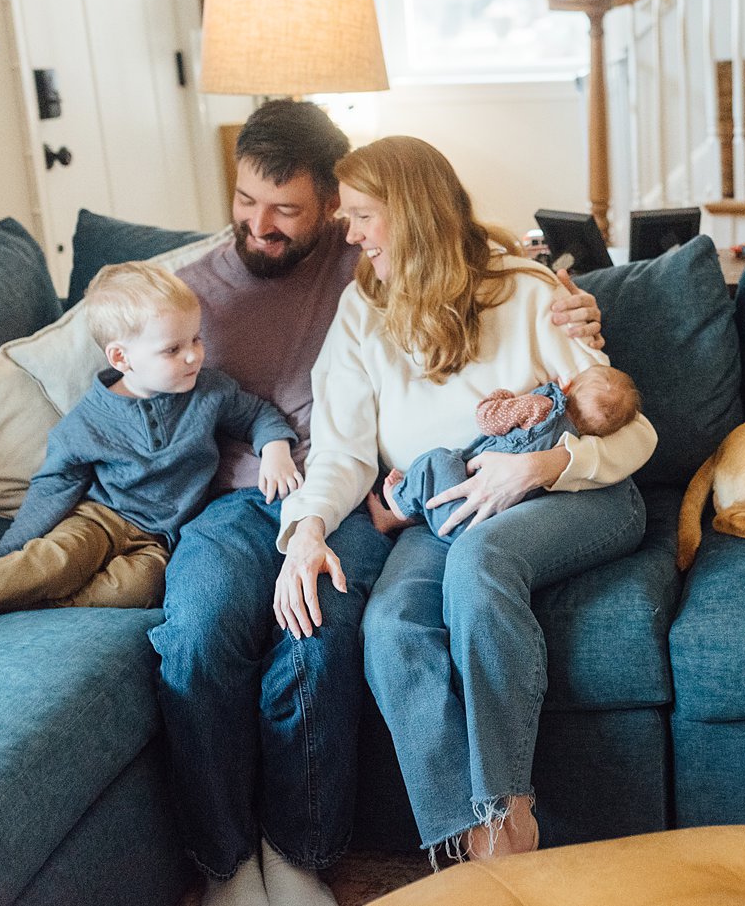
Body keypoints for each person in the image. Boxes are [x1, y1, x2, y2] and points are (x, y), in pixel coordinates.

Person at [148, 101, 608, 906]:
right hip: (244, 503)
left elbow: (464, 244)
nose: (262, 223)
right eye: (246, 201)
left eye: (288, 208)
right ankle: (228, 865)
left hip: (375, 493)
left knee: (318, 627)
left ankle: (308, 849)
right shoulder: (189, 289)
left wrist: (574, 306)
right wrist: (300, 528)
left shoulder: (371, 263)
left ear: (328, 207)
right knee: (201, 633)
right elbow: (109, 354)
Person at [275, 135, 655, 866]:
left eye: (361, 213)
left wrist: (543, 464)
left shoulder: (532, 292)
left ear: (411, 212)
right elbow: (344, 450)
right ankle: (479, 848)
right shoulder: (363, 311)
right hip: (451, 506)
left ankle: (509, 805)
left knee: (481, 559)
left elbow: (635, 433)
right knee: (389, 625)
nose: (348, 232)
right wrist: (307, 529)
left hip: (575, 490)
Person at [0, 262, 300, 646]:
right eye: (172, 349)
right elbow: (54, 485)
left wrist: (276, 448)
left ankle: (12, 611)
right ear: (122, 357)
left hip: (160, 538)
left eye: (196, 339)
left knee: (137, 590)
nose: (193, 355)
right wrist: (9, 550)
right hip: (99, 518)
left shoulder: (210, 391)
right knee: (56, 561)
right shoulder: (88, 420)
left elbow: (256, 414)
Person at [374, 365, 641, 542]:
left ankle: (397, 506)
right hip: (483, 527)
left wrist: (504, 396)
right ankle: (411, 515)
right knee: (443, 477)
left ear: (568, 386)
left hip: (461, 510)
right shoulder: (574, 444)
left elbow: (487, 418)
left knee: (440, 459)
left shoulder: (540, 407)